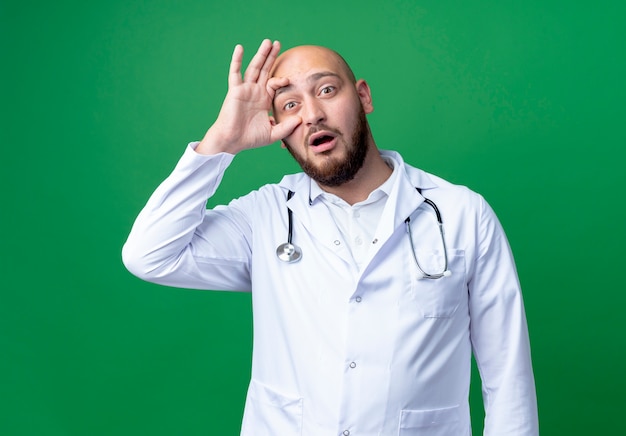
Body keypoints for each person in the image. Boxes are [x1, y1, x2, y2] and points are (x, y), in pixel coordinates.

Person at [122, 39, 538, 435]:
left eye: (326, 89)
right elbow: (149, 255)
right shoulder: (265, 216)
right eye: (289, 105)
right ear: (278, 130)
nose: (312, 114)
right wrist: (222, 142)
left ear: (363, 97)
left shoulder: (462, 214)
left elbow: (507, 376)